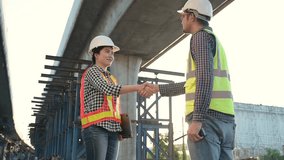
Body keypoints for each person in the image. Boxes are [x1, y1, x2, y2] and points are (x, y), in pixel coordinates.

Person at [144, 0, 236, 159]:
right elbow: (194, 83)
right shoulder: (214, 40)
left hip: (208, 119)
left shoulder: (199, 38)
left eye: (183, 16)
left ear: (192, 16)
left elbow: (204, 78)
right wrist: (158, 88)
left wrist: (197, 119)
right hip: (226, 121)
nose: (181, 19)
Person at [80, 35, 152, 160]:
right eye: (107, 51)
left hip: (112, 129)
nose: (111, 55)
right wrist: (138, 87)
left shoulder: (111, 78)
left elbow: (113, 107)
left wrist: (119, 127)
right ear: (96, 54)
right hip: (96, 128)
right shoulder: (92, 72)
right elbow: (109, 90)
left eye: (112, 53)